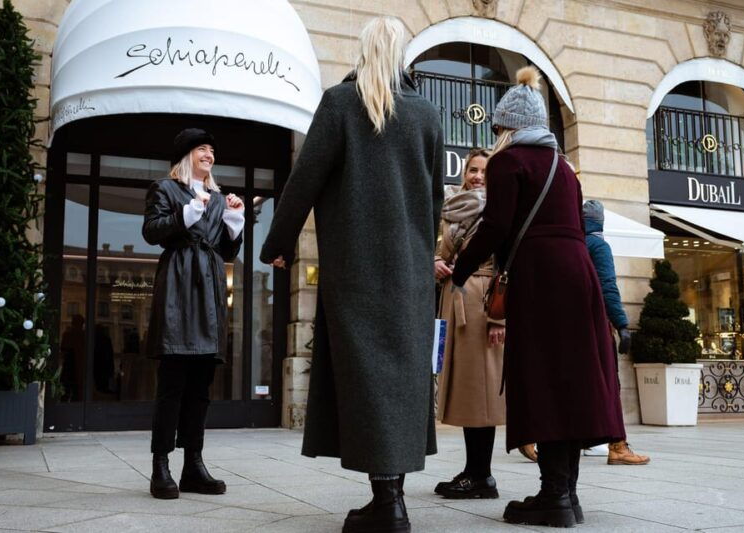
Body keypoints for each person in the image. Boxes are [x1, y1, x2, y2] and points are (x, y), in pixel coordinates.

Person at [260, 17, 443, 533]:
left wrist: (278, 245)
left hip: (356, 272)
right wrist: (422, 259)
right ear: (404, 55)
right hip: (409, 275)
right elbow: (435, 203)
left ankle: (387, 504)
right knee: (400, 384)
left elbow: (304, 181)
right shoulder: (427, 115)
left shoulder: (340, 104)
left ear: (362, 52)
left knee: (366, 382)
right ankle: (392, 497)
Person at [452, 66, 625, 528]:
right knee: (572, 379)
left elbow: (496, 226)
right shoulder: (565, 169)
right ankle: (567, 495)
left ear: (508, 126)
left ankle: (552, 497)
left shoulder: (510, 162)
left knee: (543, 378)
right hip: (579, 277)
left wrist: (460, 271)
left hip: (541, 277)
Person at [142, 128, 245, 500]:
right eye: (202, 149)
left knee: (200, 386)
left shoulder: (218, 197)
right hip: (178, 288)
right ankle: (160, 465)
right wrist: (186, 214)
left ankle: (193, 465)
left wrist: (235, 223)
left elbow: (226, 251)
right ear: (187, 155)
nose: (209, 155)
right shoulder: (165, 189)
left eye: (212, 150)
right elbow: (152, 232)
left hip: (211, 291)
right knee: (172, 384)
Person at [433, 148, 505, 499]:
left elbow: (506, 264)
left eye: (484, 171)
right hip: (453, 299)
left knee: (482, 393)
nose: (477, 176)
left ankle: (482, 475)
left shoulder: (501, 207)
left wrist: (498, 317)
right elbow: (440, 251)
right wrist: (435, 262)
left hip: (481, 301)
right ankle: (472, 469)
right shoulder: (450, 207)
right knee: (465, 391)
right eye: (472, 169)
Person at [581, 200, 651, 465]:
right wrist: (622, 324)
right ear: (600, 221)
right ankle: (618, 446)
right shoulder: (598, 245)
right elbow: (608, 286)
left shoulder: (573, 244)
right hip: (596, 327)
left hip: (572, 328)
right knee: (610, 384)